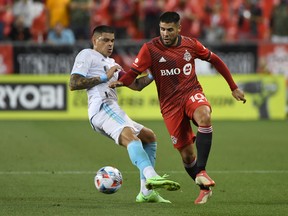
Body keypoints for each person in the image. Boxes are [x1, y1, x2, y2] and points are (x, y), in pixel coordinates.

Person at [109, 11, 246, 204]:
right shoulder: (150, 49)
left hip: (191, 93)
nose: (165, 33)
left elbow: (215, 60)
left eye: (170, 30)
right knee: (187, 155)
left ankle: (202, 170)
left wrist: (233, 87)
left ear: (179, 29)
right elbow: (133, 74)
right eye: (162, 29)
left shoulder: (191, 44)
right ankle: (204, 188)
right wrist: (121, 81)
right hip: (170, 106)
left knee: (204, 116)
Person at [69, 25, 180, 203]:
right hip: (102, 106)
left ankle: (146, 192)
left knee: (149, 137)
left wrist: (152, 75)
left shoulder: (112, 63)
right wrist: (104, 78)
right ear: (94, 40)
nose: (110, 44)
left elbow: (135, 85)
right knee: (132, 138)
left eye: (112, 40)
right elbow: (74, 83)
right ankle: (151, 175)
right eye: (105, 40)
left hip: (112, 108)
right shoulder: (86, 55)